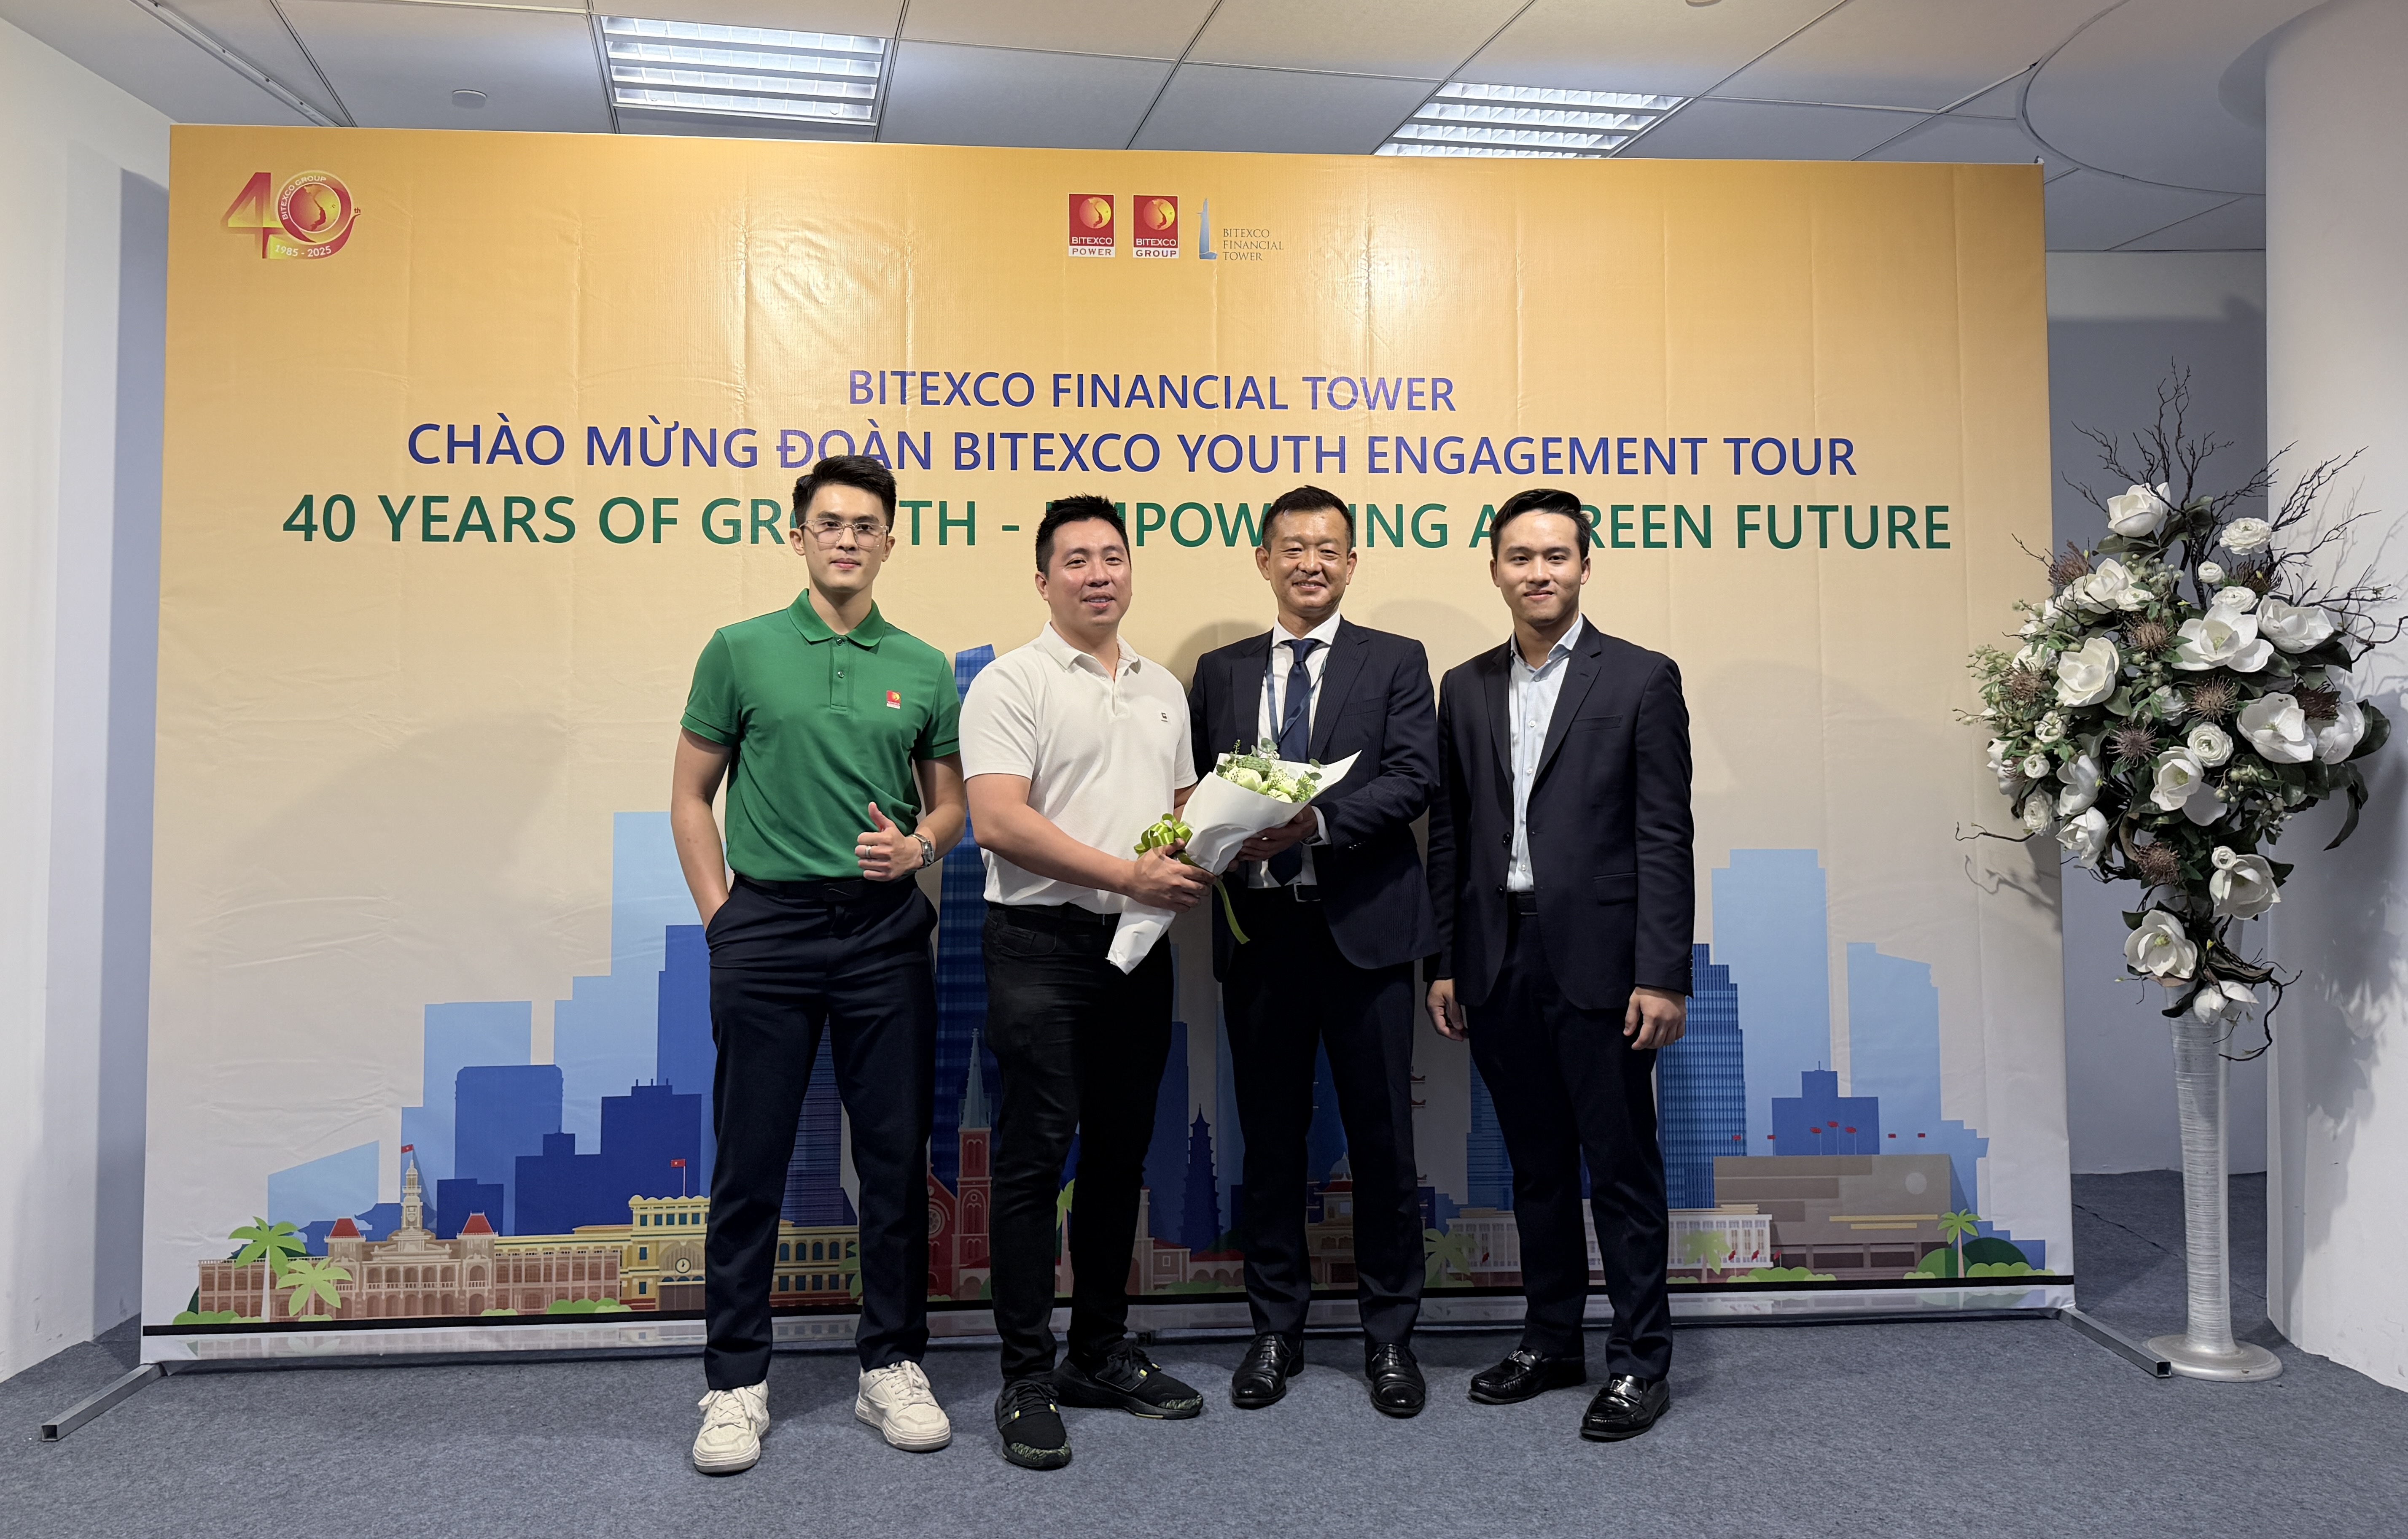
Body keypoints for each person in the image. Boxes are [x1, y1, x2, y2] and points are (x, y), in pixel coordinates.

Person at [670, 455, 967, 1474]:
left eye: (866, 525)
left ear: (890, 542)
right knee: (749, 1161)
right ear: (797, 536)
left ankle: (891, 1363)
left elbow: (950, 806)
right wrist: (723, 919)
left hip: (884, 935)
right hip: (768, 929)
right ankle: (735, 1380)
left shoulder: (923, 665)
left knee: (892, 1160)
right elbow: (690, 796)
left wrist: (918, 847)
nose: (848, 539)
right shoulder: (739, 650)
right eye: (830, 523)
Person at [1423, 486, 1695, 1443]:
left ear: (1584, 565)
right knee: (1536, 1168)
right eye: (1520, 557)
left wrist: (1663, 973)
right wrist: (1446, 959)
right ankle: (1550, 1341)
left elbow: (1664, 834)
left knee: (1620, 1168)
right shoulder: (1463, 687)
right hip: (1497, 956)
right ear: (1495, 569)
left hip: (1606, 962)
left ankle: (1639, 1361)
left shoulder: (1642, 678)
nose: (1538, 572)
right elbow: (1450, 832)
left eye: (1556, 556)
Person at [959, 495, 1214, 1470]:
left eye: (1113, 556)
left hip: (1140, 948)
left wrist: (1232, 827)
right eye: (1077, 560)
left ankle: (1099, 1351)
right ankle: (1026, 1376)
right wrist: (1125, 874)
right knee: (1033, 1162)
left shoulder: (1163, 688)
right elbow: (999, 822)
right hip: (1040, 947)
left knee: (1119, 1154)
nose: (1099, 573)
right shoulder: (1010, 683)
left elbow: (1181, 808)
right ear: (1043, 579)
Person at [1185, 485, 1439, 1417]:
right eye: (1293, 547)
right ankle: (1274, 1330)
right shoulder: (1219, 671)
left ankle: (1390, 1338)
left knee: (1384, 1144)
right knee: (1271, 1144)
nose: (1311, 563)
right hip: (1262, 940)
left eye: (1329, 548)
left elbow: (1414, 778)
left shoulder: (1396, 660)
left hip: (1366, 935)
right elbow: (1194, 784)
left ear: (1352, 561)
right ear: (1263, 559)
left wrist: (1316, 824)